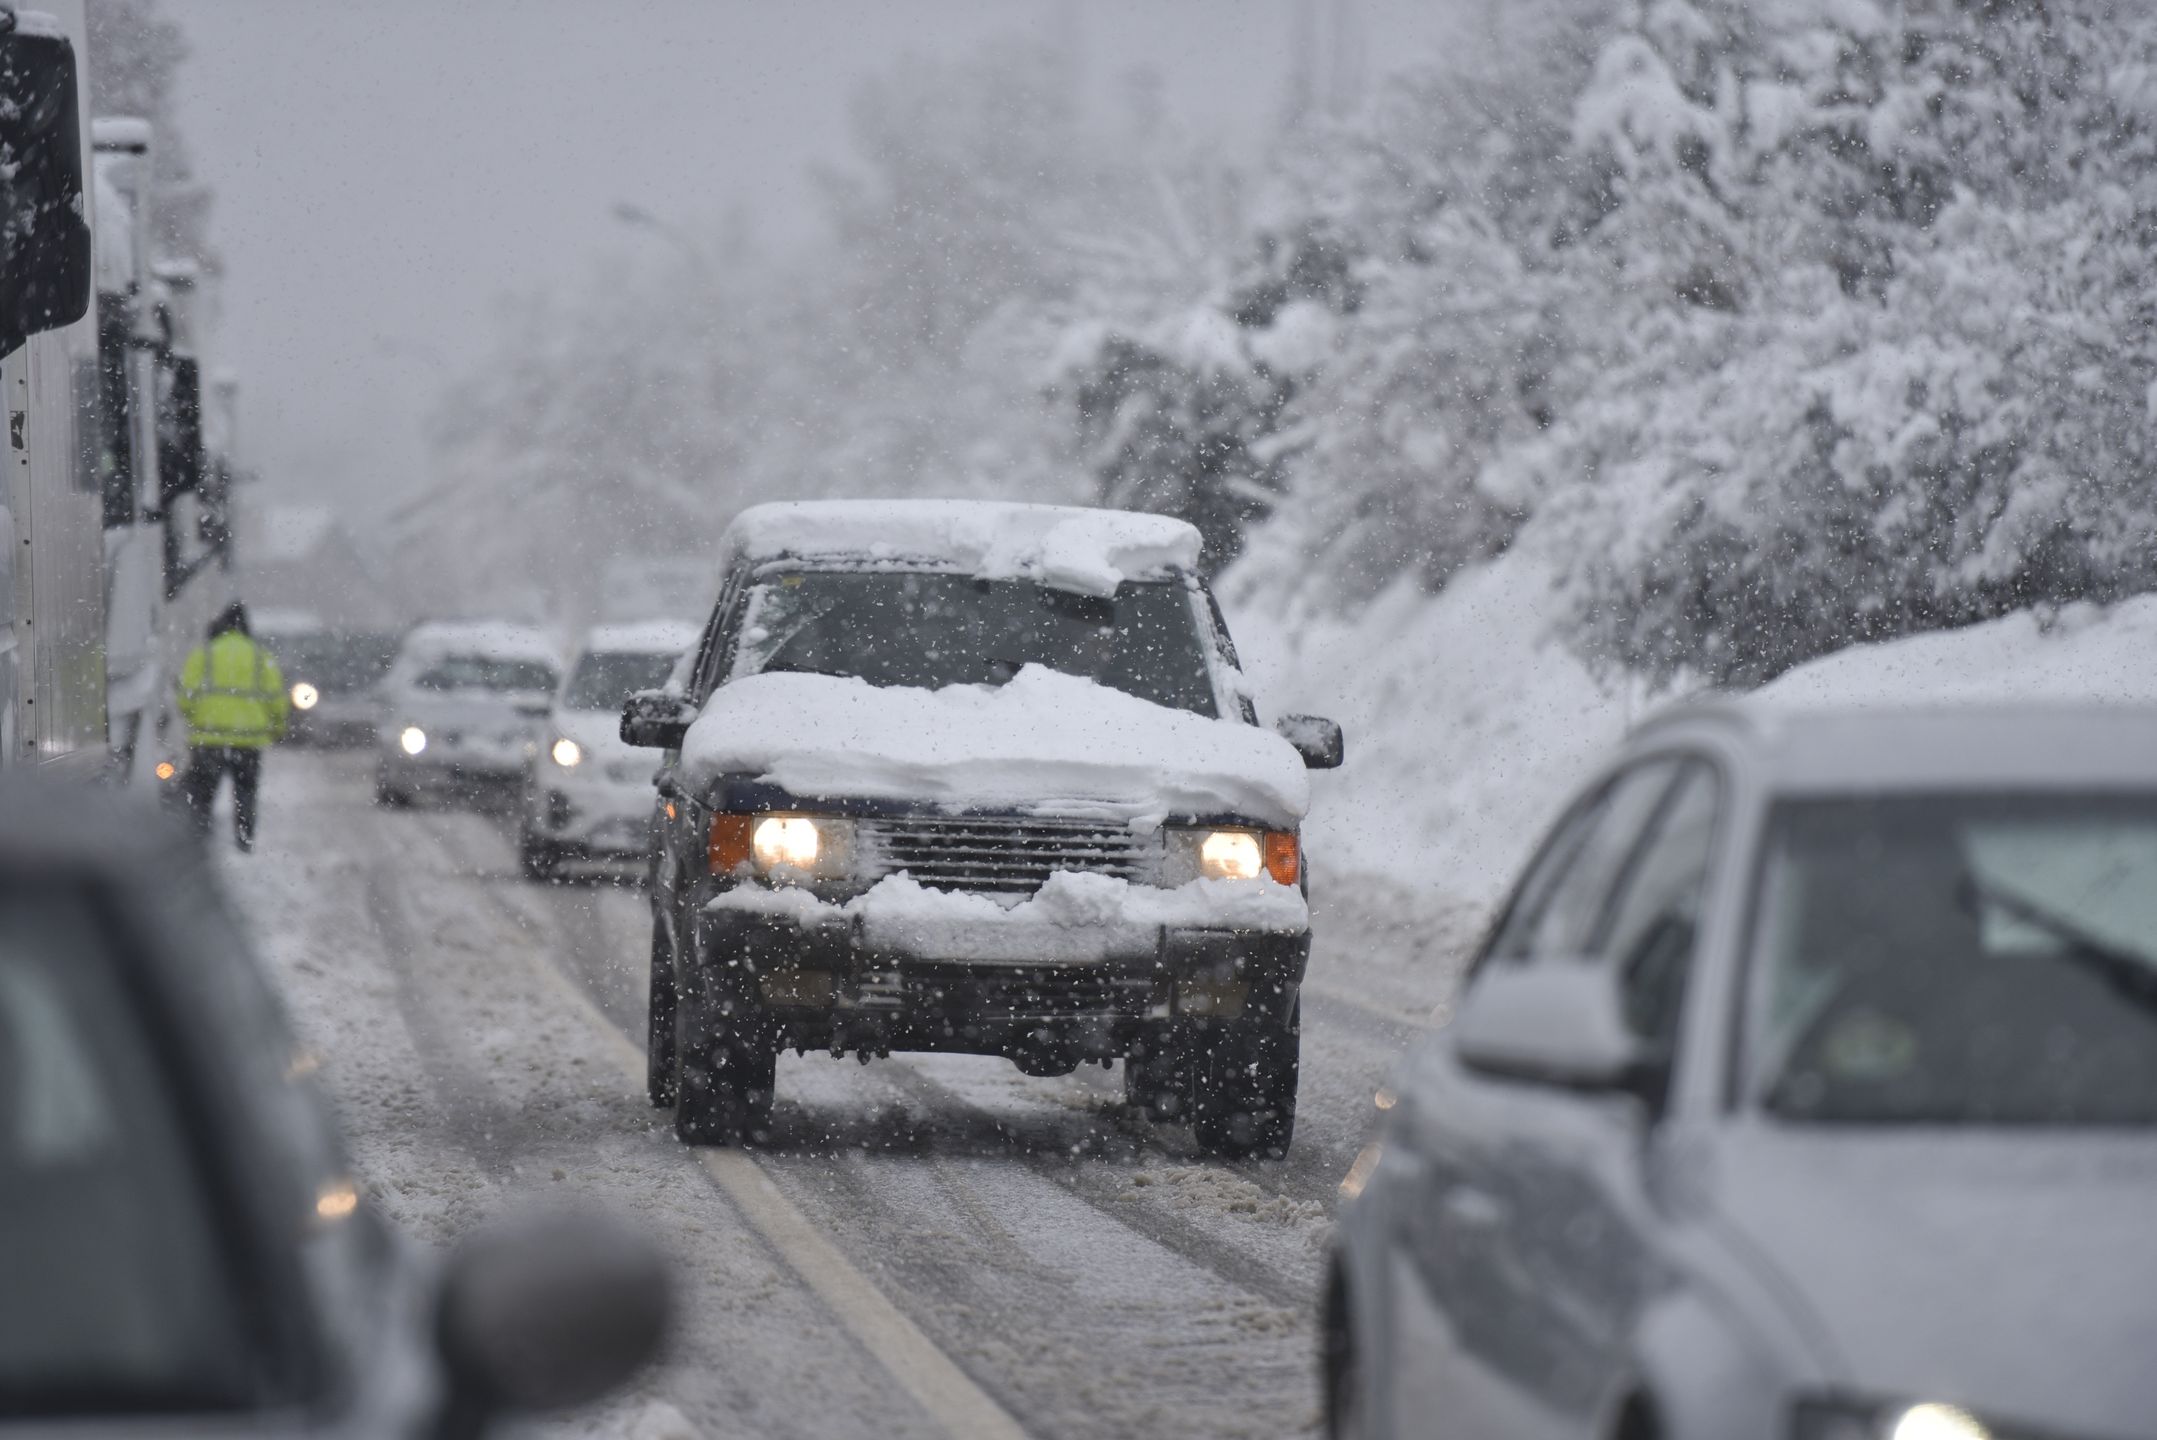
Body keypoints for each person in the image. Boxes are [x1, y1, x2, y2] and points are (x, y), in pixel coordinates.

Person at [175, 601, 288, 851]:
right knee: (245, 794)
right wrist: (277, 729)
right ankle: (244, 840)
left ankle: (197, 840)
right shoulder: (261, 657)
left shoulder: (203, 655)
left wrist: (196, 719)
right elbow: (276, 701)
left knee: (202, 795)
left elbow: (186, 698)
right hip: (247, 743)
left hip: (208, 741)